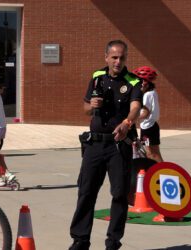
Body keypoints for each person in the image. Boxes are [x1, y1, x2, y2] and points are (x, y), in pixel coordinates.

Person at [69, 40, 143, 250]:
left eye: (122, 57)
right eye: (114, 57)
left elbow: (136, 107)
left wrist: (127, 123)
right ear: (106, 58)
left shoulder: (133, 81)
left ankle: (113, 242)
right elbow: (85, 108)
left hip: (119, 146)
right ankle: (80, 240)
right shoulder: (97, 78)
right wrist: (90, 106)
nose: (118, 61)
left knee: (119, 194)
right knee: (86, 192)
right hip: (95, 145)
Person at [132, 66, 163, 163]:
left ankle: (162, 173)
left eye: (140, 81)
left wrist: (131, 119)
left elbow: (145, 113)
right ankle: (158, 173)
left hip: (148, 127)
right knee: (152, 153)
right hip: (150, 126)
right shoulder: (151, 93)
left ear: (146, 82)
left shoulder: (147, 95)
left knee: (152, 154)